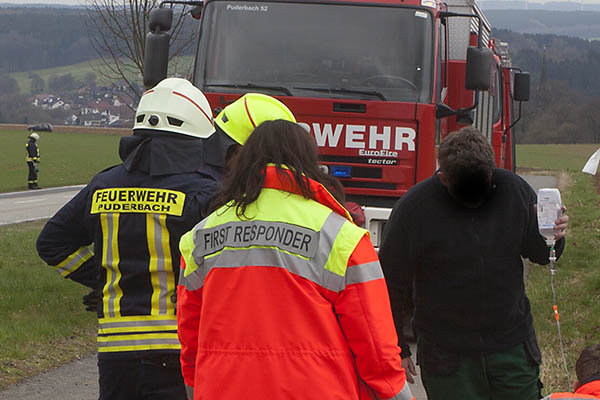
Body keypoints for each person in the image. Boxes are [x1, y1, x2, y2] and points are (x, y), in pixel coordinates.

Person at [177, 119, 414, 400]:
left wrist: (196, 389)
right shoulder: (342, 238)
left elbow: (190, 338)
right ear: (307, 162)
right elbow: (376, 349)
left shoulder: (200, 237)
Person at [36, 78, 220, 400]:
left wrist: (100, 279)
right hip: (180, 347)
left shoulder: (103, 185)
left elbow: (51, 243)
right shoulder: (204, 192)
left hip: (116, 353)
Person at [379, 126, 569, 400]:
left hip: (511, 348)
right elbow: (390, 282)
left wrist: (554, 236)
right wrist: (398, 347)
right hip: (448, 357)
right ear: (443, 178)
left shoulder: (513, 190)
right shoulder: (414, 209)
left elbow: (541, 253)